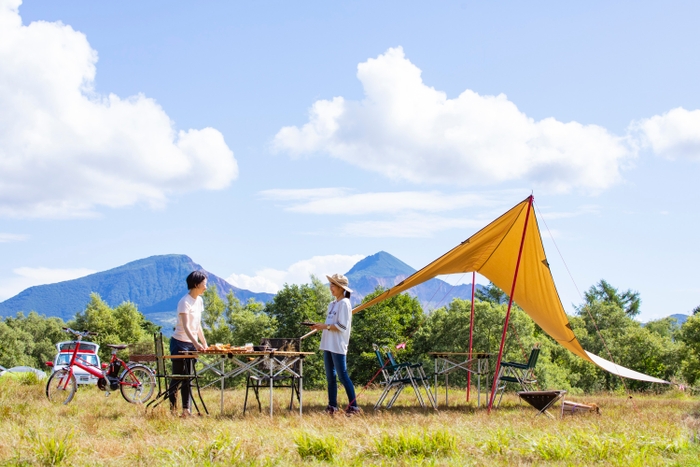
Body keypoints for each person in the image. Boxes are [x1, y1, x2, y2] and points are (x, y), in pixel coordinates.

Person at [311, 273, 361, 415]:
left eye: (333, 285)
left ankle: (354, 407)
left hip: (338, 344)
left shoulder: (345, 303)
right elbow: (329, 324)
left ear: (341, 288)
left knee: (343, 375)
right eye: (330, 285)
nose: (331, 288)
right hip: (328, 344)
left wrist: (324, 326)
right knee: (330, 377)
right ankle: (332, 406)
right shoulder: (332, 304)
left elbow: (341, 326)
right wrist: (318, 326)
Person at [169, 270, 209, 417]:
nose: (205, 287)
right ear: (196, 284)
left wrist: (204, 342)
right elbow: (186, 326)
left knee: (189, 376)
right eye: (204, 284)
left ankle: (186, 410)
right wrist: (196, 343)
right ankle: (172, 410)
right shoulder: (184, 302)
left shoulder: (199, 301)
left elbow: (197, 325)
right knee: (178, 376)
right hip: (179, 343)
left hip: (191, 343)